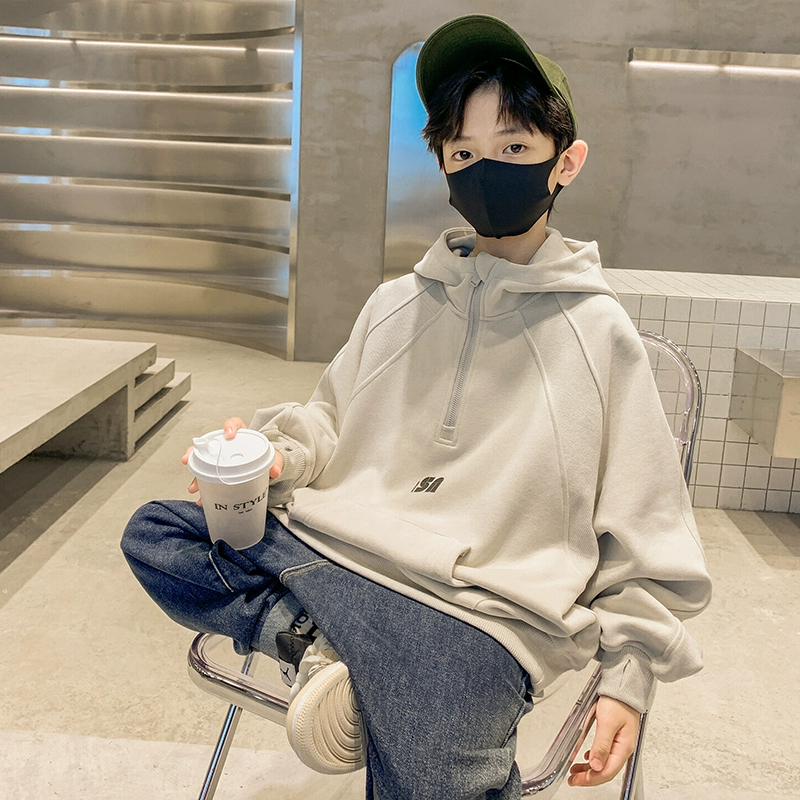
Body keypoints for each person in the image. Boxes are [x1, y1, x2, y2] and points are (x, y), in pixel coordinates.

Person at [121, 14, 712, 799]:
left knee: (437, 776)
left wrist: (628, 678)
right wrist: (274, 455)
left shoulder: (601, 334)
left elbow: (647, 529)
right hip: (334, 554)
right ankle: (315, 645)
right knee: (159, 533)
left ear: (565, 163)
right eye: (463, 153)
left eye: (513, 148)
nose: (484, 169)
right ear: (442, 165)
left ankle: (340, 659)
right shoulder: (396, 302)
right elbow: (329, 419)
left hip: (481, 610)